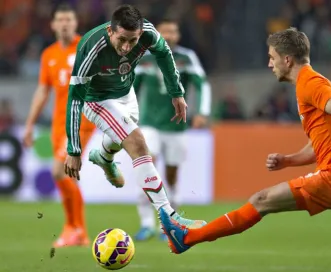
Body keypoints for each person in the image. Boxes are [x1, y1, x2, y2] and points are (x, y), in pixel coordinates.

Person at [160, 28, 331, 272]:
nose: (269, 64)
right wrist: (289, 160)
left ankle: (187, 238)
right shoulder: (310, 84)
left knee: (261, 200)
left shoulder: (310, 82)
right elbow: (321, 142)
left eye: (272, 57)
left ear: (287, 60)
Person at [63, 4, 206, 230]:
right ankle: (170, 219)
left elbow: (165, 55)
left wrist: (176, 93)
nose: (127, 47)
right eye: (122, 40)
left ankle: (103, 156)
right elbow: (74, 98)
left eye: (133, 40)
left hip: (126, 94)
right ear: (111, 31)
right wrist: (73, 149)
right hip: (97, 100)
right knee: (138, 143)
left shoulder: (148, 33)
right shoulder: (90, 48)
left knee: (121, 137)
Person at [23, 3, 95, 248]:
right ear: (53, 24)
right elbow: (43, 90)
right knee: (69, 178)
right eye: (60, 20)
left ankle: (72, 228)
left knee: (59, 171)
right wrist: (30, 125)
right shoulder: (49, 55)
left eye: (69, 20)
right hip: (58, 125)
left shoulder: (85, 48)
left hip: (82, 121)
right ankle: (80, 233)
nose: (65, 24)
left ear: (76, 24)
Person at [133, 18, 211, 241]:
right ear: (157, 33)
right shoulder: (143, 56)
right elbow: (131, 87)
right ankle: (146, 222)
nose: (169, 35)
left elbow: (202, 84)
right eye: (165, 31)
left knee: (172, 175)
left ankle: (169, 223)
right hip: (148, 122)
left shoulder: (187, 57)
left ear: (178, 35)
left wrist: (202, 112)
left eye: (173, 31)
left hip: (176, 126)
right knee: (148, 168)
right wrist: (125, 113)